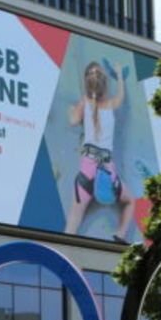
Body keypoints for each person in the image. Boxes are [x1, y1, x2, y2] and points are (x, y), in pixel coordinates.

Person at [63, 60, 137, 242]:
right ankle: (119, 234)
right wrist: (119, 75)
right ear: (105, 85)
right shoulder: (112, 104)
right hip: (107, 174)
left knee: (72, 223)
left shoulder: (83, 103)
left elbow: (72, 121)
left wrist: (71, 110)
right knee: (130, 202)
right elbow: (121, 95)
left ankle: (64, 251)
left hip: (86, 172)